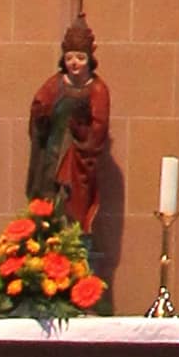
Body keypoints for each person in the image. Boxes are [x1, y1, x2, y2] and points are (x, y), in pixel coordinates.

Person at [26, 17, 112, 230]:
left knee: (73, 203)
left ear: (89, 60)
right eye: (70, 58)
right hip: (53, 151)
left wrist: (82, 128)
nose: (74, 63)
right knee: (48, 196)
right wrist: (40, 114)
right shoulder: (55, 84)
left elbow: (98, 129)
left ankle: (73, 234)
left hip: (78, 158)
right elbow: (39, 112)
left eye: (80, 58)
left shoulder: (97, 89)